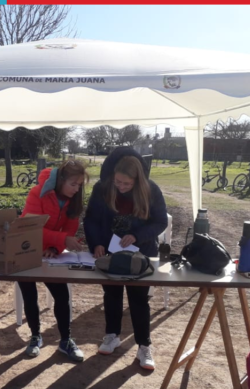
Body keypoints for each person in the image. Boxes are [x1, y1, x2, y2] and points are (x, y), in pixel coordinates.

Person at [83, 147, 167, 370]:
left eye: (127, 184)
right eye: (118, 182)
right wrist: (96, 243)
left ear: (138, 181)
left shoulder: (151, 190)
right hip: (110, 252)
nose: (121, 187)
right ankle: (112, 335)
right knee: (111, 294)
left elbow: (160, 222)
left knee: (139, 299)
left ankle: (144, 346)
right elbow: (91, 219)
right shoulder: (102, 188)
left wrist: (137, 235)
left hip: (142, 252)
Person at [17, 159, 89, 362]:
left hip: (51, 253)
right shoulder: (37, 193)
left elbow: (70, 227)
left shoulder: (73, 200)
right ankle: (35, 336)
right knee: (29, 295)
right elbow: (31, 226)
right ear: (60, 181)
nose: (76, 189)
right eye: (73, 184)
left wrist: (55, 247)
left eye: (79, 185)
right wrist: (62, 240)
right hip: (25, 249)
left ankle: (66, 340)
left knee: (62, 296)